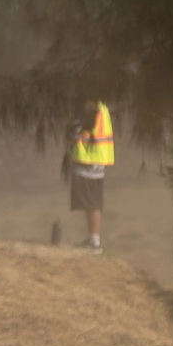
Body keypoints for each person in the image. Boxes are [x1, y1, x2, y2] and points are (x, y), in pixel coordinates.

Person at [64, 97, 114, 252]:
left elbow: (81, 133)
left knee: (91, 202)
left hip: (88, 160)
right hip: (97, 160)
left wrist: (72, 130)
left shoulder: (90, 107)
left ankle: (94, 241)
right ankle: (93, 239)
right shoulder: (102, 106)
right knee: (91, 202)